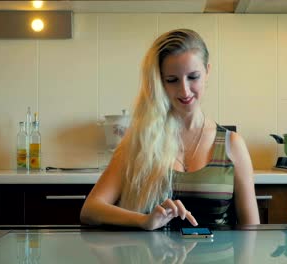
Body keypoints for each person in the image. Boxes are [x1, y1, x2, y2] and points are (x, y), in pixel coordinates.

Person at [80, 28, 260, 230]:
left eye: (193, 77)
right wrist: (144, 221)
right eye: (172, 80)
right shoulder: (139, 141)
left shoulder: (232, 144)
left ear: (207, 71)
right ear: (159, 82)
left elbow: (251, 230)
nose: (184, 90)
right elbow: (91, 210)